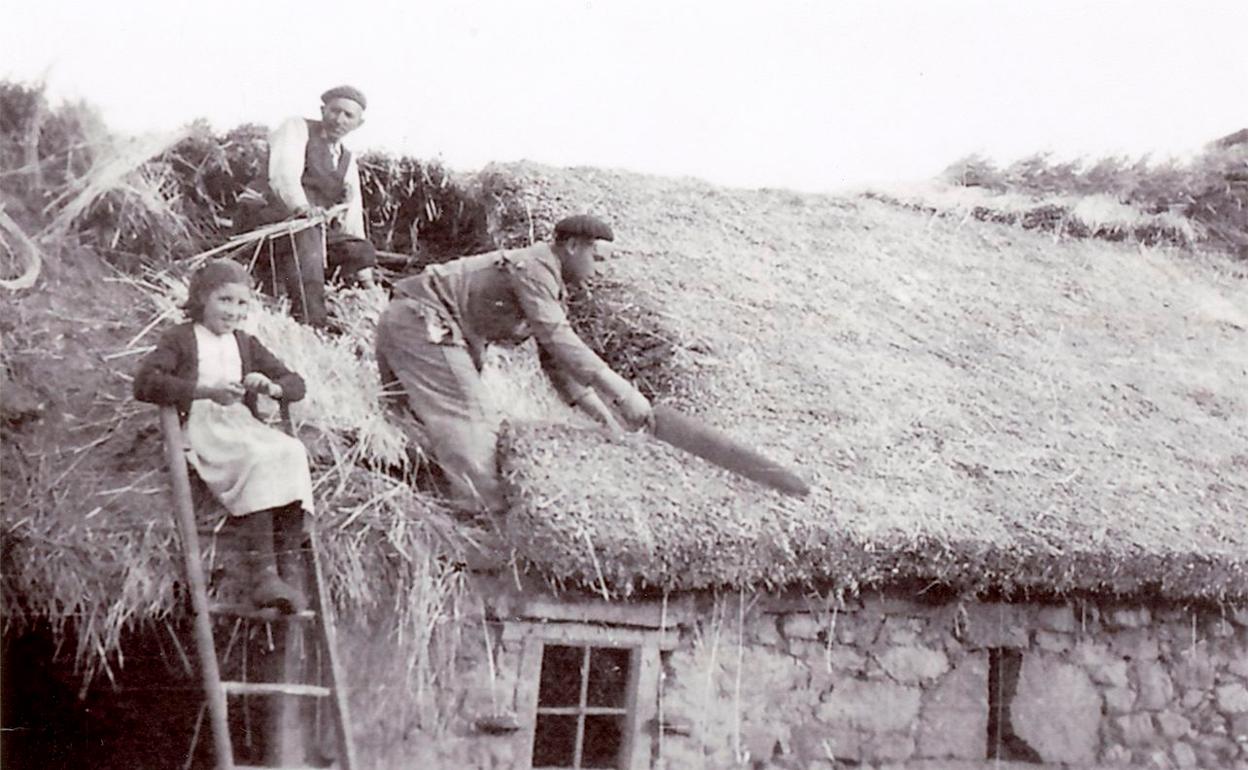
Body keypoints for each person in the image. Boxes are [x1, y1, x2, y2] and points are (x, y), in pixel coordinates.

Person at [375, 214, 652, 513]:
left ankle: (421, 507)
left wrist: (606, 419)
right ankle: (478, 523)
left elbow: (556, 360)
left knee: (418, 424)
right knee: (472, 420)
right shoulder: (534, 267)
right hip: (424, 321)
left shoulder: (549, 284)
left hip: (414, 322)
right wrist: (624, 393)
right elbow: (557, 337)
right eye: (597, 259)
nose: (601, 271)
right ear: (573, 245)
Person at [134, 260, 313, 613]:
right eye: (224, 300)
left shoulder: (245, 343)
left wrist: (270, 386)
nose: (233, 311)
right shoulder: (181, 338)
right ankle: (263, 573)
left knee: (291, 451)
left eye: (242, 303)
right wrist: (203, 391)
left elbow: (296, 383)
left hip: (239, 422)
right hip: (201, 424)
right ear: (202, 299)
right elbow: (146, 383)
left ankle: (287, 567)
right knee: (257, 456)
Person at [238, 84, 378, 328]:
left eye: (349, 115)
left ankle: (296, 283)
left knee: (361, 251)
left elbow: (353, 214)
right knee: (305, 235)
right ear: (323, 110)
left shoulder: (347, 158)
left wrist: (366, 276)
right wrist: (302, 208)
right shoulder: (297, 128)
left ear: (359, 123)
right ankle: (312, 320)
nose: (339, 119)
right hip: (265, 216)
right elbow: (283, 177)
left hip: (308, 231)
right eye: (335, 111)